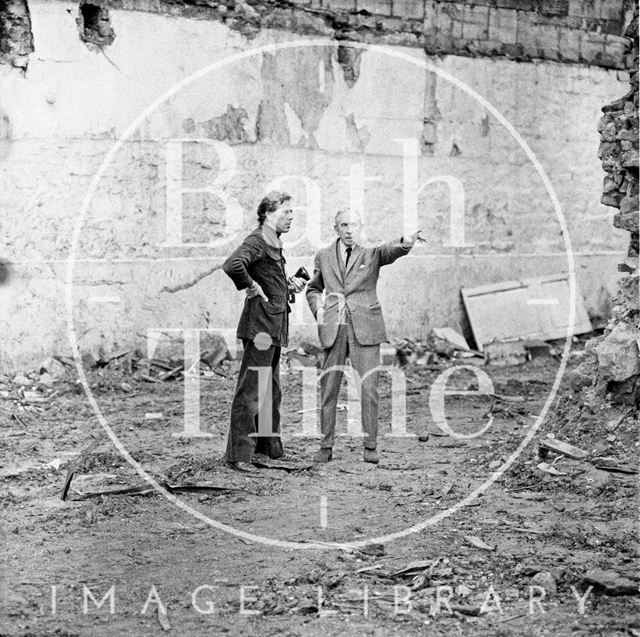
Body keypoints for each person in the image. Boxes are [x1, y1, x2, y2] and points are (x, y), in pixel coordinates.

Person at [306, 209, 423, 464]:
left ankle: (370, 446)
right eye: (344, 225)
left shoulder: (371, 253)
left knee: (368, 388)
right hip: (334, 328)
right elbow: (313, 289)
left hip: (365, 329)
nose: (349, 230)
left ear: (361, 227)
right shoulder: (323, 256)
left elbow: (389, 251)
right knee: (329, 389)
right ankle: (326, 446)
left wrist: (405, 242)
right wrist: (319, 311)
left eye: (354, 225)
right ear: (336, 228)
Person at [222, 191, 306, 473]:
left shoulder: (273, 242)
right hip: (259, 327)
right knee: (251, 389)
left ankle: (268, 446)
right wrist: (252, 286)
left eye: (292, 213)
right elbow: (233, 264)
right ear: (268, 214)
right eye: (285, 213)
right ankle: (238, 454)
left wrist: (287, 284)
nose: (290, 218)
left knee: (271, 390)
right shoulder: (257, 240)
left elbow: (270, 278)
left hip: (273, 325)